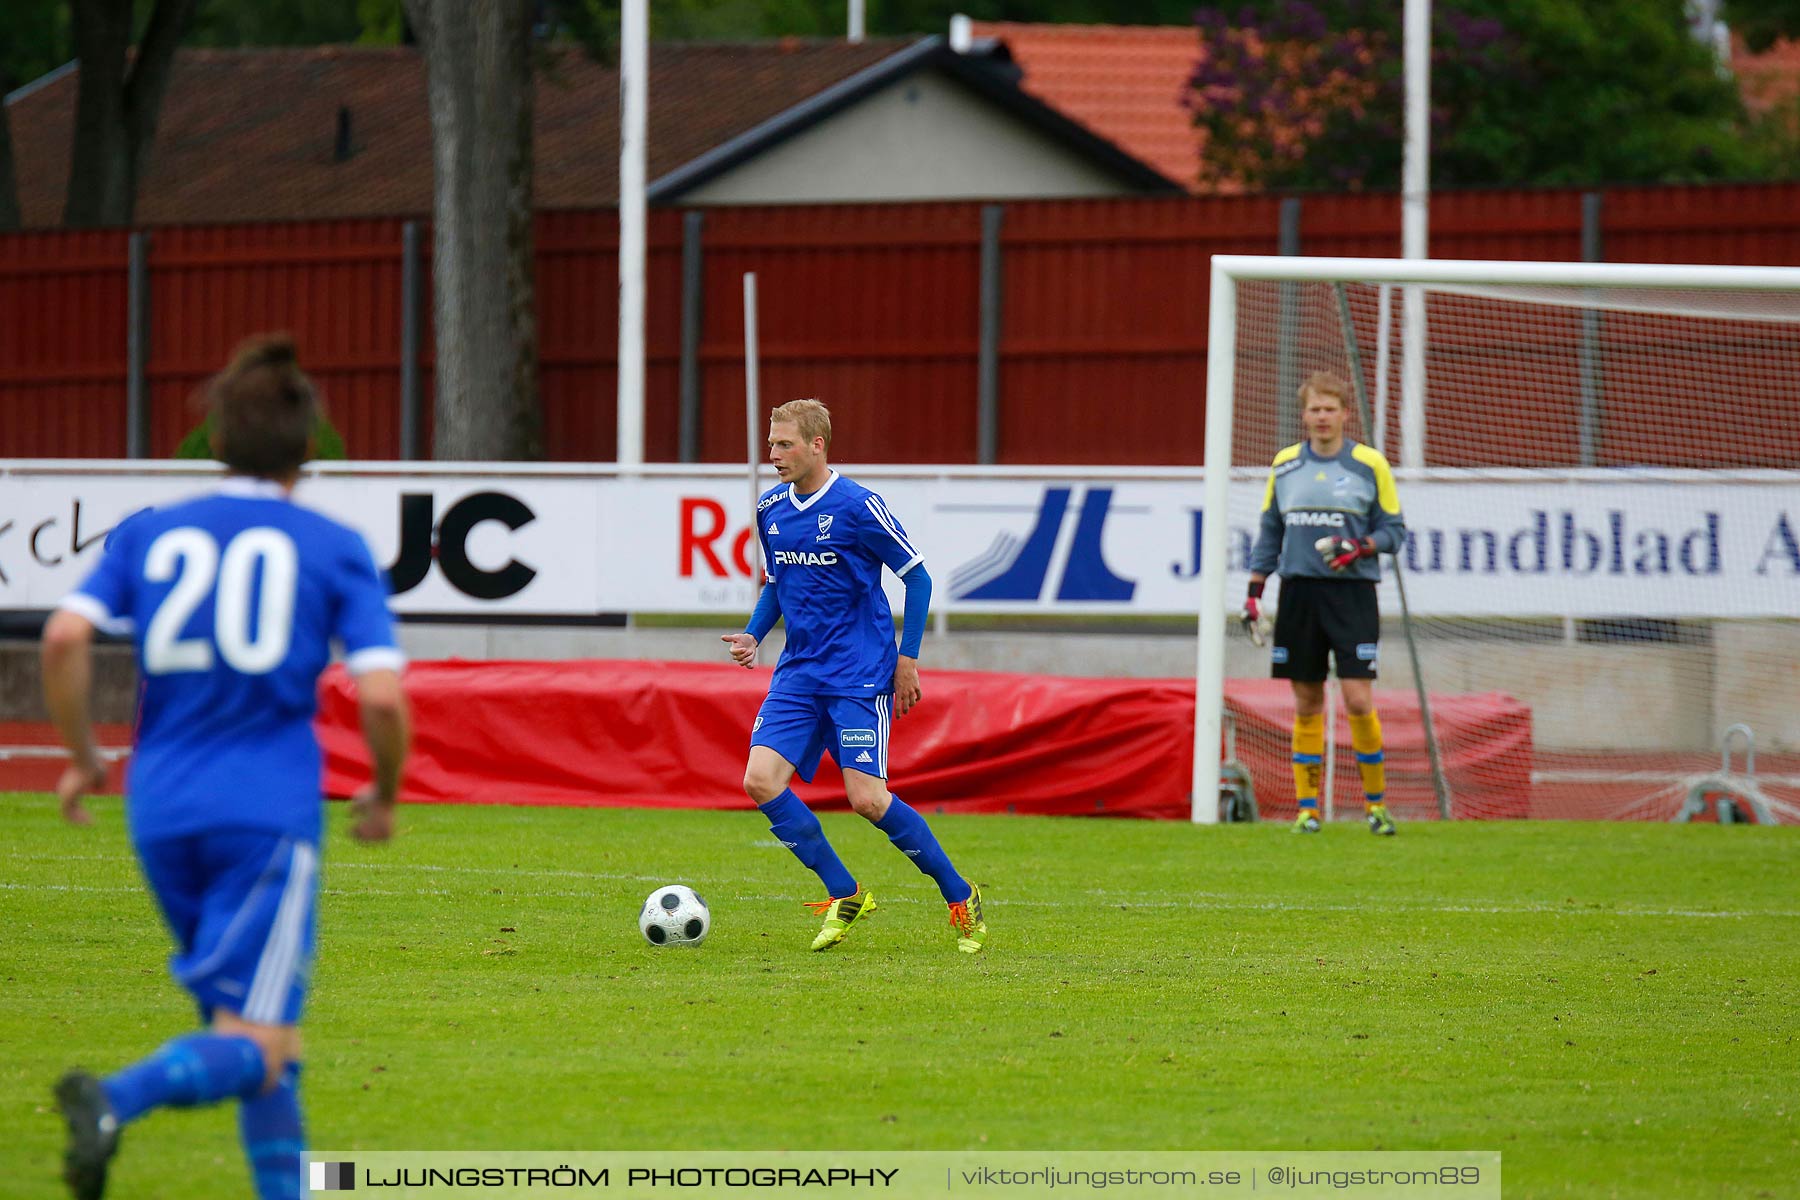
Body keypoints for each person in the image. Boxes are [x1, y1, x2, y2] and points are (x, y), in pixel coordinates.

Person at [42, 335, 411, 1200]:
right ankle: (113, 1100)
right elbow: (385, 699)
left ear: (214, 440)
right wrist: (387, 789)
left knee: (259, 1036)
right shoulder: (330, 544)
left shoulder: (153, 534)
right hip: (265, 814)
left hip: (160, 804)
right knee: (263, 1040)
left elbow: (63, 636)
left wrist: (83, 756)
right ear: (307, 450)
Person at [721, 399, 985, 953]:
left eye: (785, 444)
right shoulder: (770, 508)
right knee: (760, 781)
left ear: (818, 444)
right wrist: (753, 633)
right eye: (771, 444)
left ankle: (960, 895)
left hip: (859, 676)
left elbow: (919, 580)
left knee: (866, 799)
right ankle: (845, 892)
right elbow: (776, 584)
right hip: (798, 674)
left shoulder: (859, 506)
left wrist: (906, 660)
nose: (773, 455)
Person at [1243, 370, 1406, 836]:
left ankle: (1376, 807)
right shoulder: (1285, 465)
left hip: (1352, 595)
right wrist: (1254, 594)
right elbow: (1269, 532)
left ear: (1344, 414)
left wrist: (1360, 547)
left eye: (1329, 408)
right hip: (1299, 594)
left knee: (1357, 699)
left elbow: (1394, 531)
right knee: (1307, 700)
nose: (1322, 417)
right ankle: (1308, 811)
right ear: (1305, 414)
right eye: (1314, 409)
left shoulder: (1369, 464)